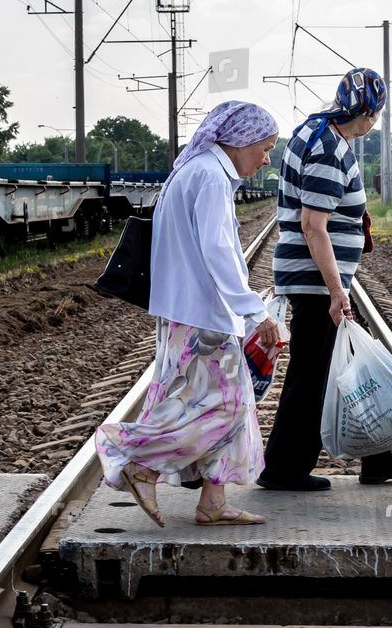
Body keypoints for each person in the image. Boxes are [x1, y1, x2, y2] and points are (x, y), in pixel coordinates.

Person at [95, 100, 282, 526]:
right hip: (204, 316)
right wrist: (255, 312)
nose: (267, 157)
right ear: (242, 140)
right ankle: (140, 460)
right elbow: (219, 252)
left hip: (186, 312)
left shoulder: (195, 168)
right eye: (266, 147)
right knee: (229, 405)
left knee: (214, 402)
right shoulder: (212, 177)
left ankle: (213, 501)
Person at [258, 67, 392, 492]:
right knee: (313, 375)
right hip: (317, 282)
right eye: (376, 116)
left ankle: (378, 459)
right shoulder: (330, 149)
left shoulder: (315, 132)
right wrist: (338, 290)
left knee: (342, 366)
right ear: (369, 115)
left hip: (313, 278)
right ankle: (283, 469)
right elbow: (314, 225)